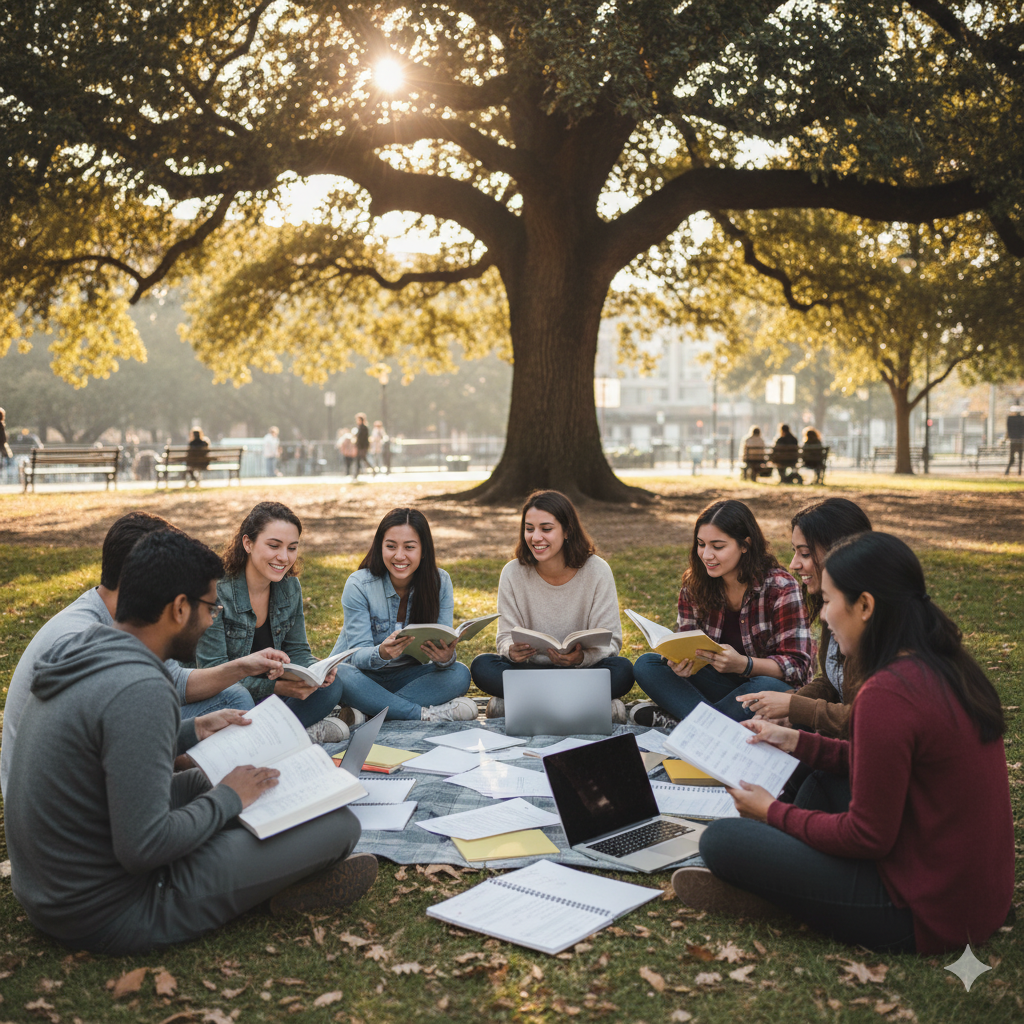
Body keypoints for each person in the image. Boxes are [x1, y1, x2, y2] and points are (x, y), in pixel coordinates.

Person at [4, 529, 376, 955]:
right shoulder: (140, 686)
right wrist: (229, 799)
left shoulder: (91, 647)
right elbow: (146, 847)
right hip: (111, 908)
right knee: (339, 827)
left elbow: (104, 746)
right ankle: (278, 879)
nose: (213, 618)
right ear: (180, 608)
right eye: (211, 607)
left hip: (53, 883)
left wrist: (193, 730)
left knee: (222, 778)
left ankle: (269, 859)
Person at [672, 532, 1014, 954]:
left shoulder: (888, 692)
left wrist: (771, 811)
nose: (825, 616)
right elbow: (881, 761)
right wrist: (797, 740)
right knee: (820, 779)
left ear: (865, 606)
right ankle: (794, 883)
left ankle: (788, 894)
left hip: (922, 910)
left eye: (829, 601)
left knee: (722, 840)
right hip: (967, 891)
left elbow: (866, 837)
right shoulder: (942, 661)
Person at [0, 512, 280, 800]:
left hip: (89, 779)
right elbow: (135, 811)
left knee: (233, 698)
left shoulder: (132, 629)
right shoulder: (78, 640)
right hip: (65, 797)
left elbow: (173, 681)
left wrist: (240, 669)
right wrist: (216, 786)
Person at [630, 499, 812, 727]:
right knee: (647, 665)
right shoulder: (694, 585)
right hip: (717, 685)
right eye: (701, 544)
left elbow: (797, 667)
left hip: (763, 687)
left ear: (745, 545)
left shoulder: (781, 588)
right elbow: (685, 641)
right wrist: (680, 663)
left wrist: (744, 665)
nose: (706, 555)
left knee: (766, 687)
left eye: (717, 547)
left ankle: (688, 721)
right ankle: (714, 724)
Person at [470, 490, 634, 721]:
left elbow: (612, 641)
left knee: (623, 670)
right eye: (529, 529)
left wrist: (580, 658)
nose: (536, 537)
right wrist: (511, 651)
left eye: (546, 529)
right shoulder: (512, 572)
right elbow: (505, 637)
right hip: (532, 671)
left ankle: (521, 702)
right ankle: (585, 702)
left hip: (581, 671)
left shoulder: (597, 571)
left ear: (567, 531)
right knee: (482, 666)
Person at [196, 502, 348, 742]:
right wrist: (276, 688)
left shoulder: (290, 587)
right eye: (274, 546)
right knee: (239, 698)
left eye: (292, 548)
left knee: (333, 686)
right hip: (225, 695)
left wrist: (316, 671)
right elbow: (212, 672)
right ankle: (290, 734)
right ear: (248, 543)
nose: (284, 557)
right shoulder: (216, 590)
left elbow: (298, 650)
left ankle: (273, 736)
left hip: (270, 694)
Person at [738, 497, 872, 741]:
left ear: (841, 551)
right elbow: (832, 682)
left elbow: (867, 719)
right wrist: (791, 708)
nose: (794, 564)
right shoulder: (832, 606)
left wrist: (793, 707)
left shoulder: (877, 626)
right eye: (795, 551)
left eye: (805, 553)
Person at [330, 508, 476, 723]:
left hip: (407, 678)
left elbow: (443, 642)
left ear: (423, 550)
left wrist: (445, 658)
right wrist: (381, 653)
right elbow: (357, 655)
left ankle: (369, 711)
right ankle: (422, 715)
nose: (399, 556)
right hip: (361, 676)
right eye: (391, 546)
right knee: (340, 674)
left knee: (459, 674)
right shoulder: (359, 584)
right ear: (380, 547)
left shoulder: (440, 582)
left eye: (409, 547)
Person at [1005, 404, 1023, 475]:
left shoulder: (1010, 419)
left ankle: (1007, 470)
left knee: (1012, 457)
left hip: (1013, 440)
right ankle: (1019, 472)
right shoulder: (1022, 419)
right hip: (1021, 441)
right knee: (1020, 458)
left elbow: (1008, 429)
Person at [354, 413, 370, 478]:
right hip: (360, 446)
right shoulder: (359, 427)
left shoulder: (364, 428)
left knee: (362, 458)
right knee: (359, 459)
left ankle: (357, 473)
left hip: (362, 446)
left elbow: (363, 438)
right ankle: (357, 473)